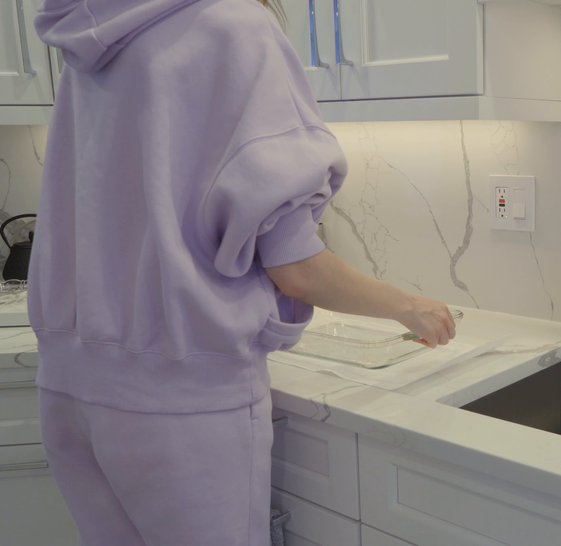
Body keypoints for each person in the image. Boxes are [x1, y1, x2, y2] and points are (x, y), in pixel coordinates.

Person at [30, 0, 455, 544]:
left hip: (69, 393)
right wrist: (408, 305)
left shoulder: (88, 38)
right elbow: (296, 268)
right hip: (180, 406)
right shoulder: (235, 29)